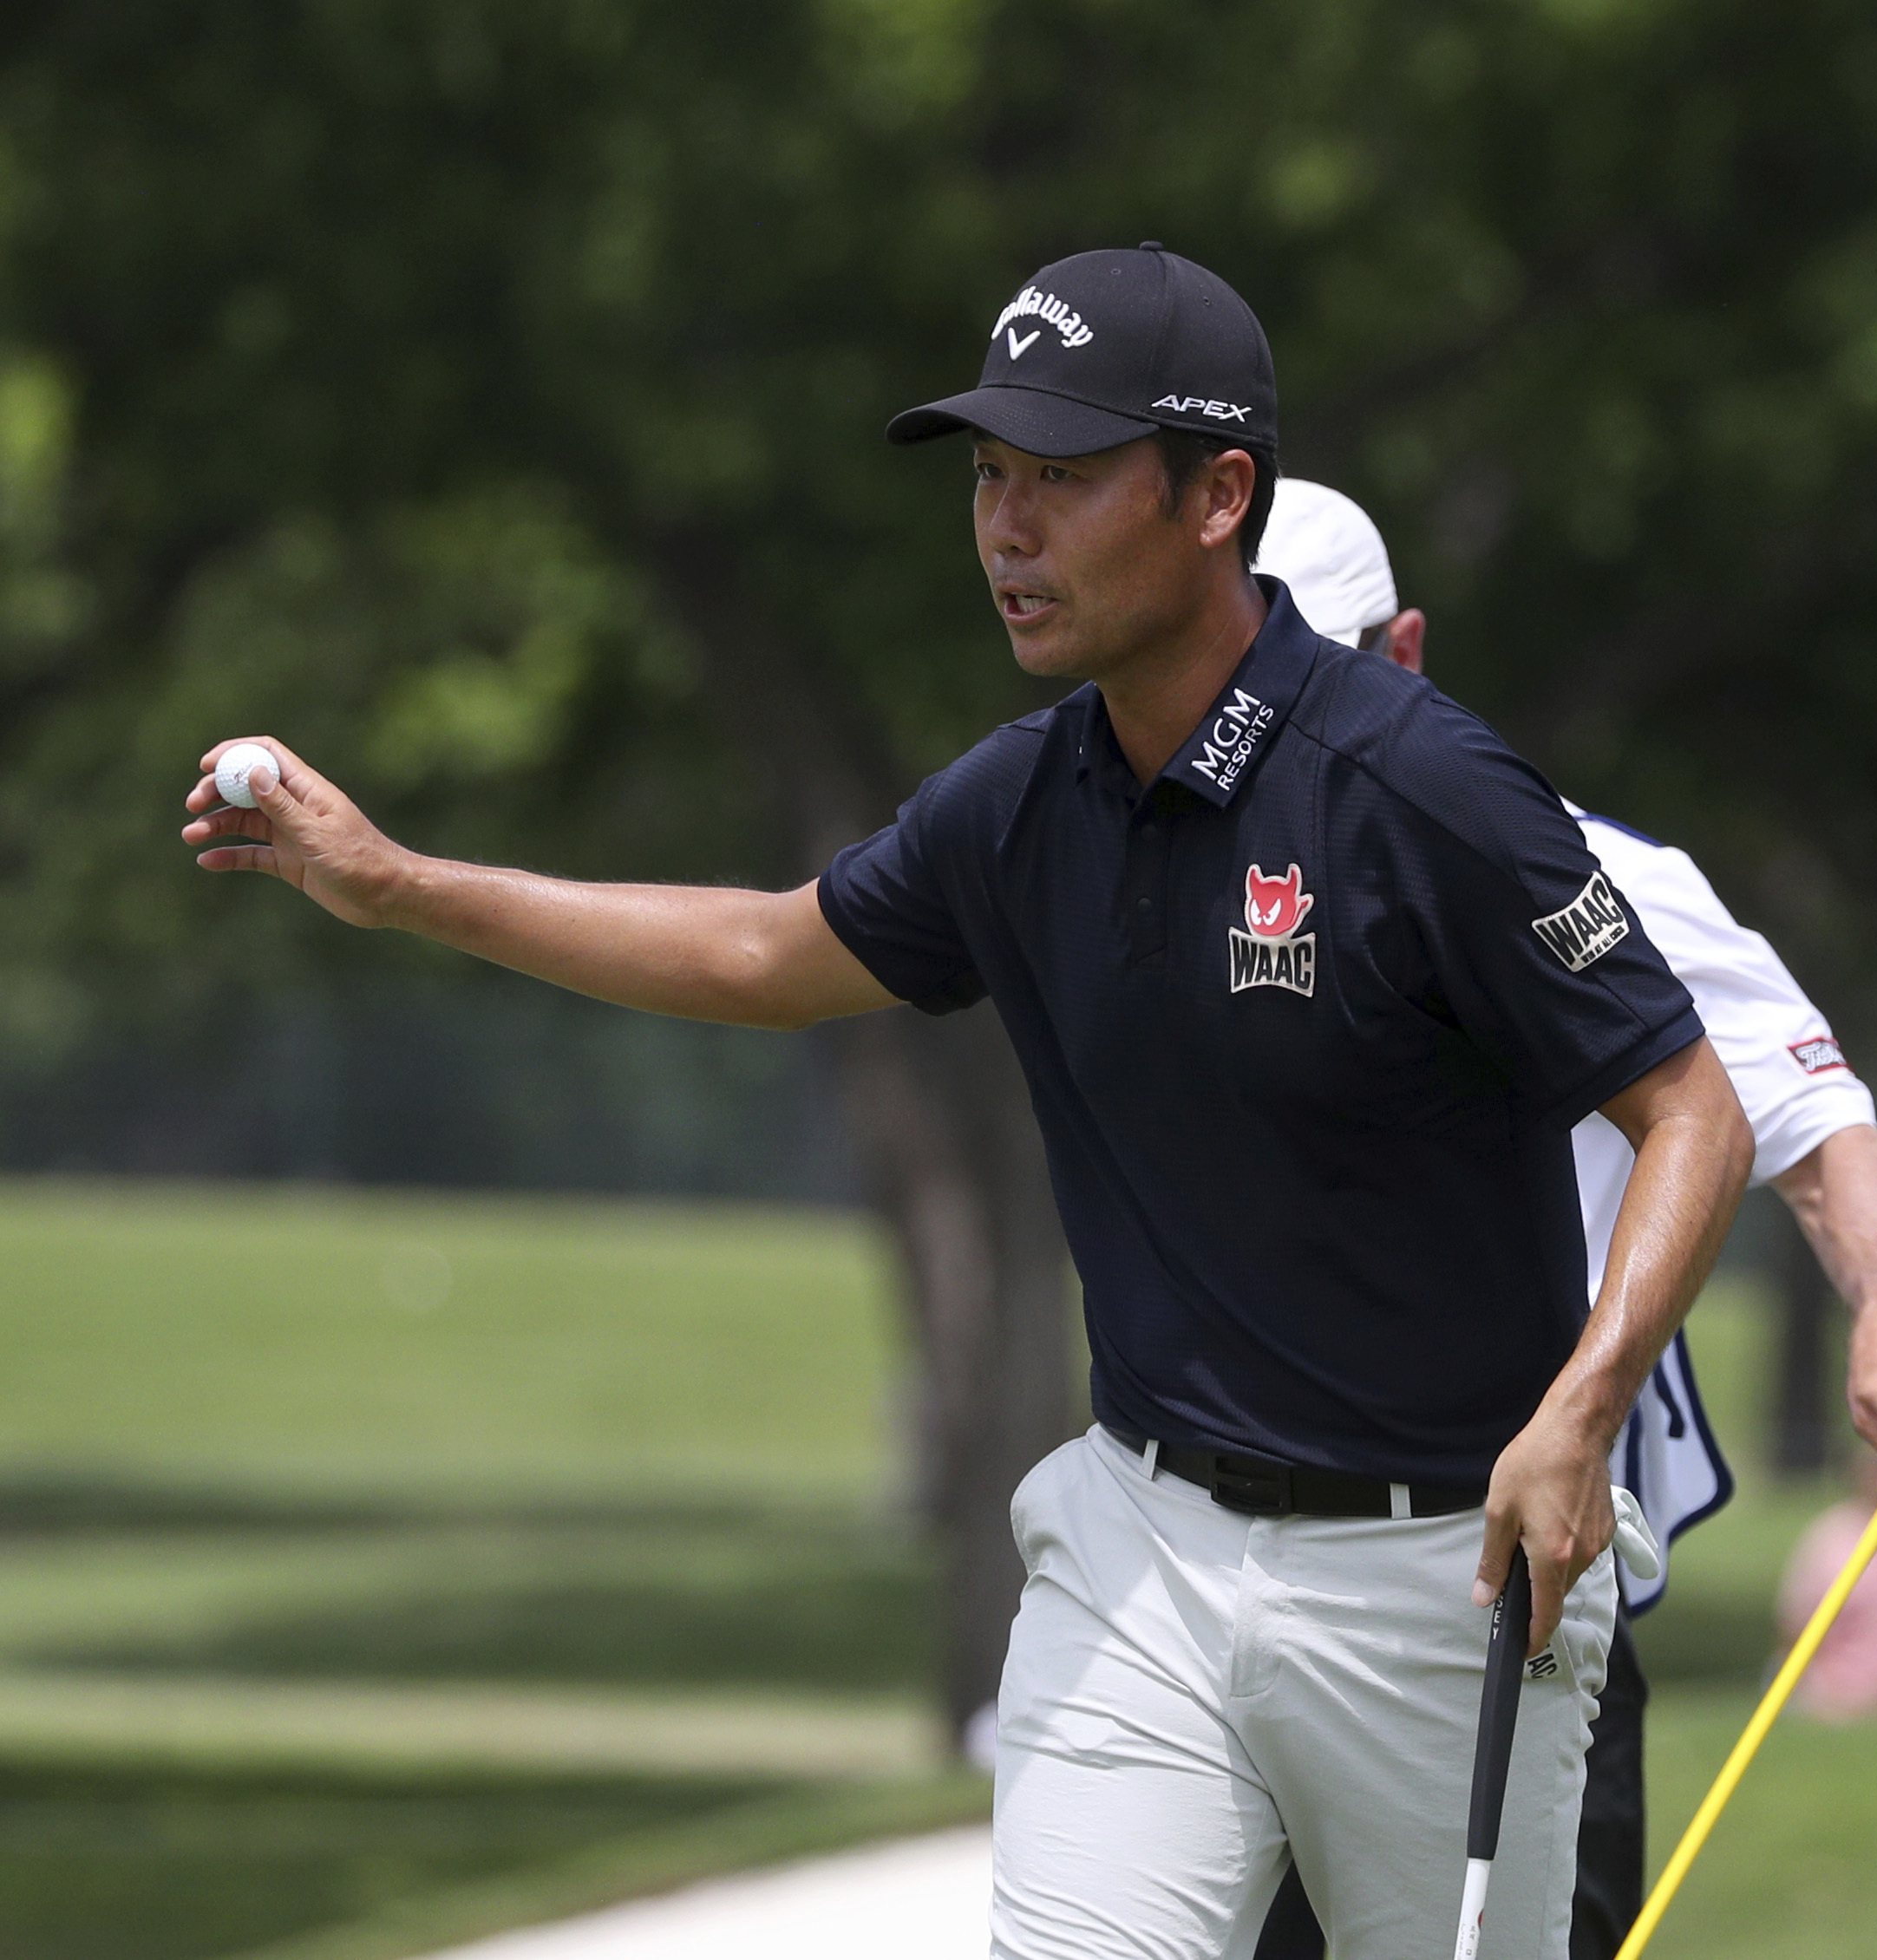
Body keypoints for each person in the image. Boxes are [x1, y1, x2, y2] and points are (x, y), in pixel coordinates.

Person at [180, 246, 1756, 1960]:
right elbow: (758, 950)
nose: (1006, 527)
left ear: (1218, 492)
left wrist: (1583, 1407)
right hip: (1141, 1546)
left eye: (1062, 479)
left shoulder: (1419, 787)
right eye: (991, 479)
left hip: (1440, 1577)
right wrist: (404, 882)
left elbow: (1690, 1108)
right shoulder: (1022, 804)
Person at [1249, 480, 1877, 1960]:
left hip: (1522, 1588)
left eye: (1311, 679)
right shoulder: (1145, 872)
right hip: (1229, 1576)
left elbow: (1830, 1139)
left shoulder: (1602, 886)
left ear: (1400, 658)